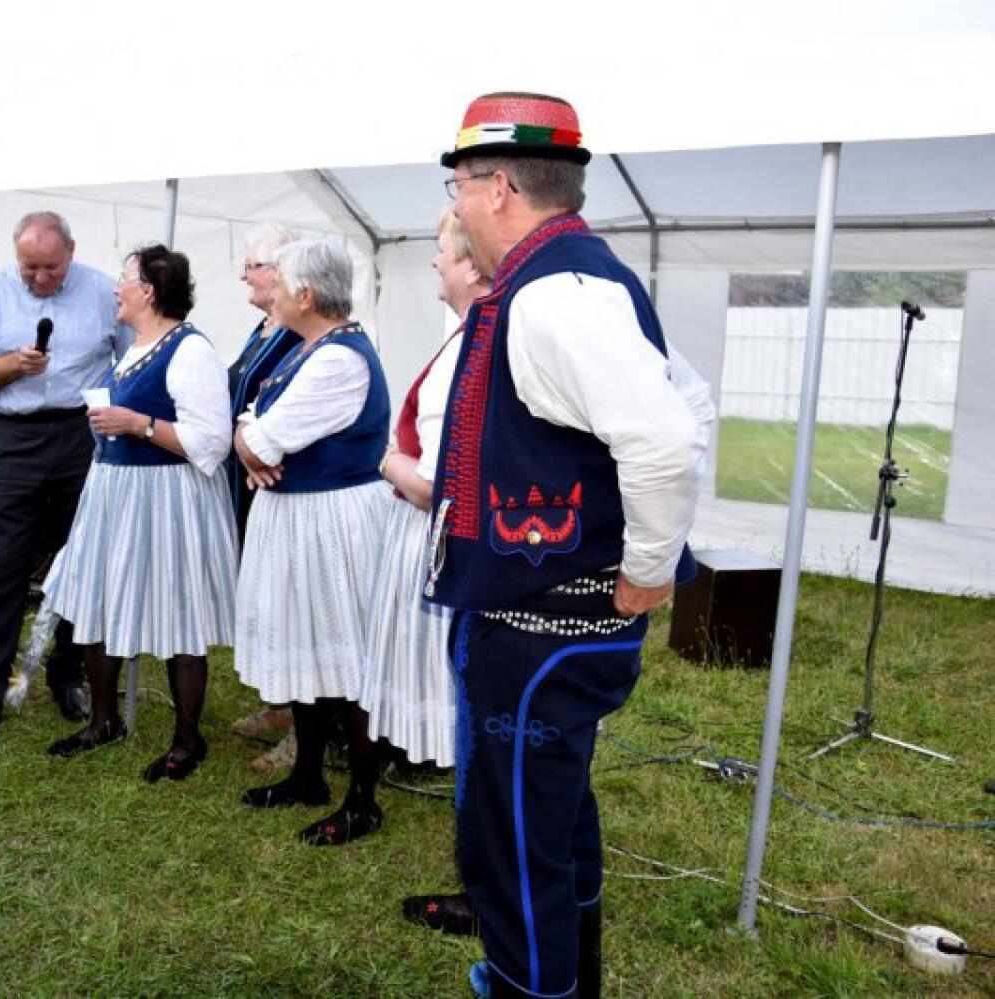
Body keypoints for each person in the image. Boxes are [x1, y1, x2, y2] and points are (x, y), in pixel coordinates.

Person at [431, 93, 713, 998]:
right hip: (537, 621)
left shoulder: (558, 294)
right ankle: (567, 981)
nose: (456, 204)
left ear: (499, 188)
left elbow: (666, 438)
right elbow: (681, 403)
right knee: (548, 820)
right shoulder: (560, 281)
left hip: (545, 628)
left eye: (459, 185)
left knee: (515, 848)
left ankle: (535, 988)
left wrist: (647, 571)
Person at [42, 244, 235, 780]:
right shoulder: (134, 347)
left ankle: (187, 740)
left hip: (168, 496)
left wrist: (138, 424)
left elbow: (211, 441)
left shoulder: (190, 350)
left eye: (124, 278)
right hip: (114, 491)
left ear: (148, 291)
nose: (115, 287)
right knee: (99, 599)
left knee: (178, 610)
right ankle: (104, 721)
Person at [0, 211, 133, 736]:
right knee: (2, 566)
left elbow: (128, 364)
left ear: (71, 252)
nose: (41, 277)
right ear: (16, 254)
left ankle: (67, 676)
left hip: (82, 435)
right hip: (16, 438)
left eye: (51, 266)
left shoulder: (104, 293)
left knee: (82, 561)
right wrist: (12, 364)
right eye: (30, 266)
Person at [233, 238, 392, 846]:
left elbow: (261, 440)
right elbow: (251, 422)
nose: (269, 290)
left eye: (278, 281)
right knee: (307, 644)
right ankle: (307, 776)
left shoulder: (338, 360)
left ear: (304, 294)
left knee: (345, 656)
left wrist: (251, 439)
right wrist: (250, 433)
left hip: (333, 522)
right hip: (301, 517)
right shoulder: (309, 349)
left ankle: (362, 801)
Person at [360, 206, 489, 936]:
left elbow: (443, 478)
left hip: (443, 538)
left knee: (472, 709)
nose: (435, 261)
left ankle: (483, 883)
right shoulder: (469, 335)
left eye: (442, 250)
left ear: (471, 261)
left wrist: (389, 462)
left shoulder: (478, 343)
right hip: (440, 535)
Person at [225, 223, 302, 773]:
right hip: (248, 479)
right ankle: (279, 704)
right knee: (263, 601)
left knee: (286, 603)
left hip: (276, 482)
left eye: (251, 266)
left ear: (279, 272)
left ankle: (302, 724)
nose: (242, 275)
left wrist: (252, 446)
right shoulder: (264, 328)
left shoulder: (295, 335)